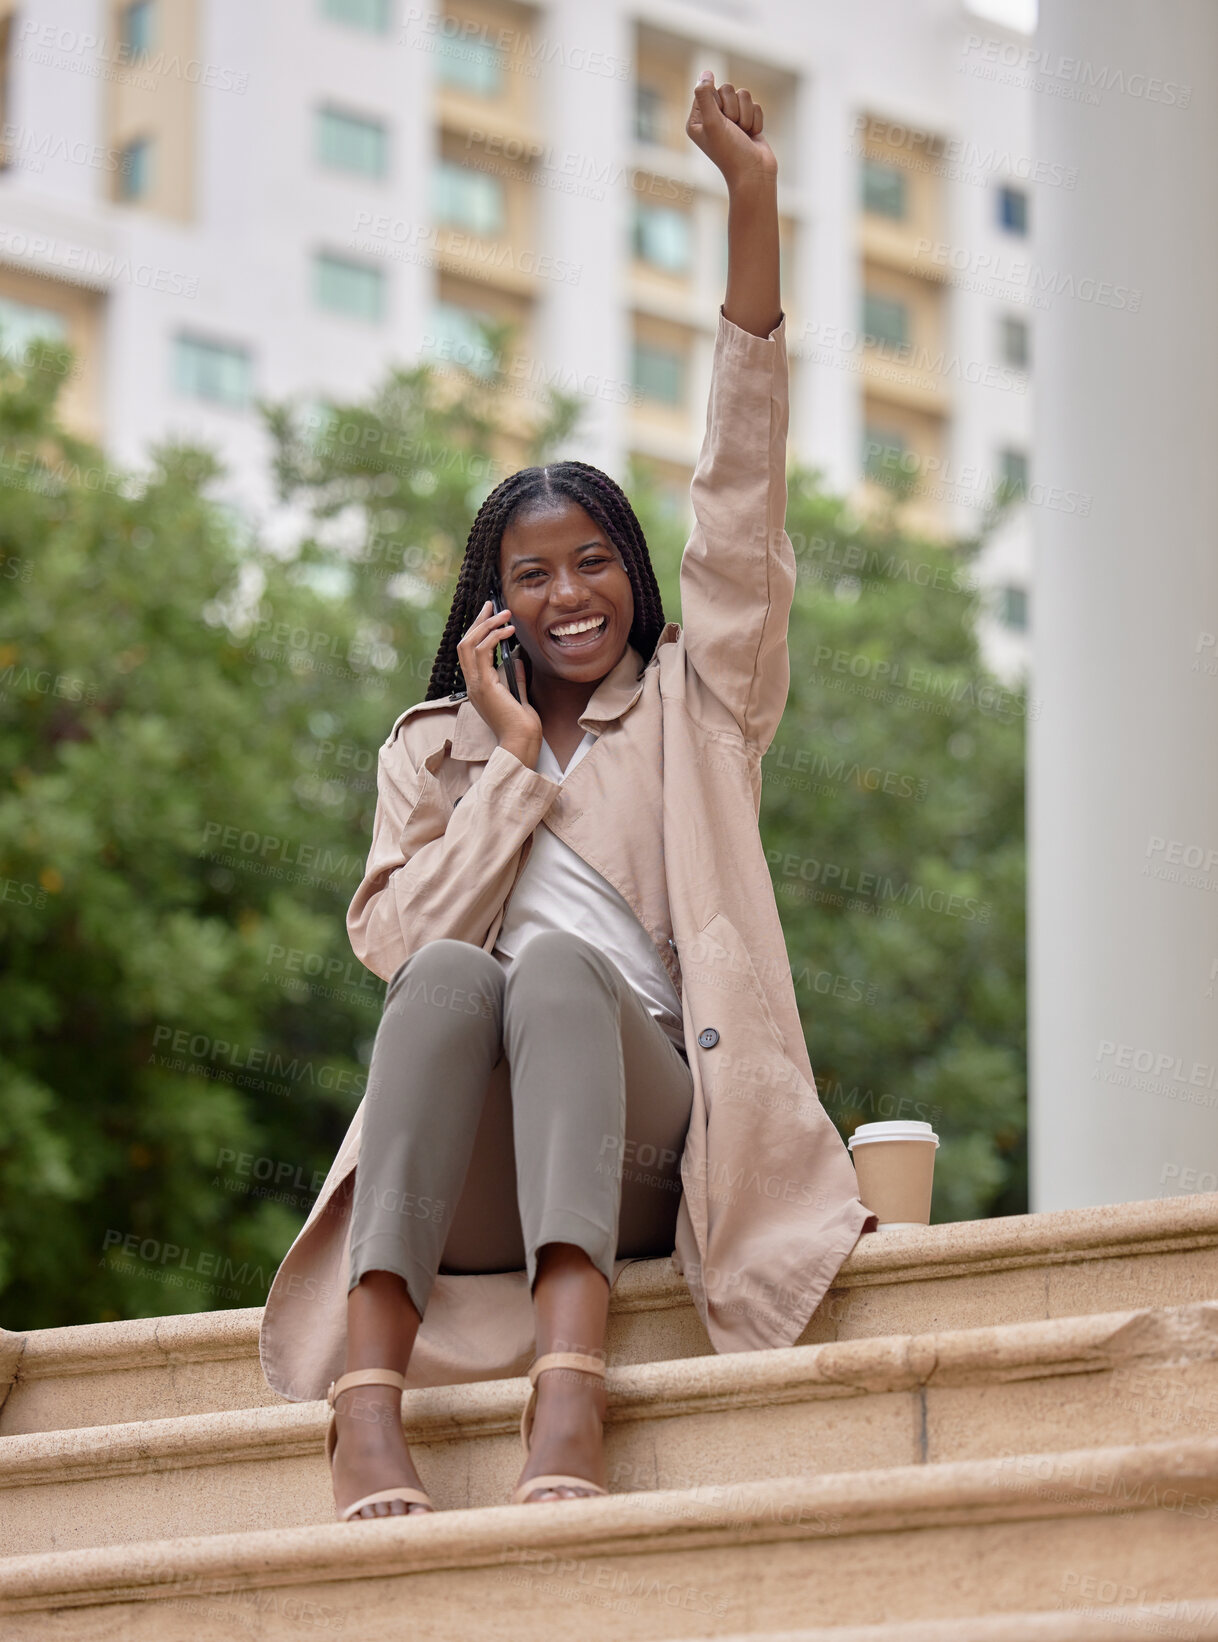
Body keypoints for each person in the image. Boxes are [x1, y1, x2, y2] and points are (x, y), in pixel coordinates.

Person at [258, 68, 877, 1523]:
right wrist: (509, 773)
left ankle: (567, 1394)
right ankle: (366, 1412)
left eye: (592, 560)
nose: (568, 593)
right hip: (470, 1167)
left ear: (631, 576)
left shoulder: (695, 700)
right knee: (453, 983)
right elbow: (398, 952)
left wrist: (751, 202)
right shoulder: (432, 748)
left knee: (546, 972)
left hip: (654, 1144)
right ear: (495, 604)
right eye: (532, 573)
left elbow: (739, 500)